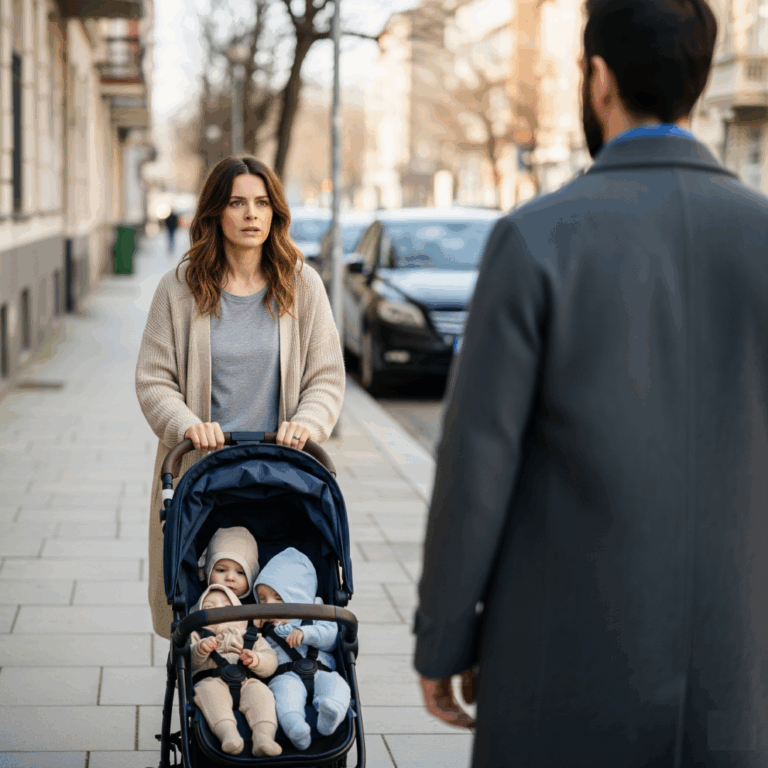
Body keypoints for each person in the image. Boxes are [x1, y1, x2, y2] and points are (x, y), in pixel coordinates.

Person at [414, 0, 768, 765]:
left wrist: (444, 635)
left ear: (598, 79)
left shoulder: (534, 237)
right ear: (699, 80)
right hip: (739, 680)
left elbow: (476, 464)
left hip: (561, 673)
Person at [135, 156, 345, 640]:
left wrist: (308, 423)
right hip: (201, 474)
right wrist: (187, 425)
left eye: (262, 203)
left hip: (282, 476)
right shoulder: (179, 289)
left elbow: (326, 377)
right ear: (215, 213)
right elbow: (153, 380)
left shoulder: (302, 285)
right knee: (196, 605)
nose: (251, 214)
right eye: (237, 203)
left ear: (275, 213)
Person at [255, 548, 351, 751]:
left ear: (297, 595)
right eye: (262, 599)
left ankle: (330, 711)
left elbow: (331, 638)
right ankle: (296, 727)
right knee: (284, 695)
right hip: (285, 674)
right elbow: (259, 650)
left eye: (278, 598)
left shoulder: (317, 612)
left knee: (337, 685)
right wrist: (254, 630)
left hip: (322, 670)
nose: (268, 604)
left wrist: (307, 633)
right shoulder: (265, 625)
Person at [190, 584, 281, 756]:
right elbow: (187, 662)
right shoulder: (197, 635)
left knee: (262, 694)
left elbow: (271, 661)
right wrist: (200, 649)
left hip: (247, 681)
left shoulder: (251, 636)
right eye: (209, 607)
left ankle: (264, 737)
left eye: (227, 607)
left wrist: (257, 660)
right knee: (208, 692)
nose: (218, 610)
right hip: (212, 680)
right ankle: (228, 734)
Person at [198, 526, 260, 600]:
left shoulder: (258, 605)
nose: (230, 578)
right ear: (208, 571)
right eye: (221, 570)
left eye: (240, 573)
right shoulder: (200, 601)